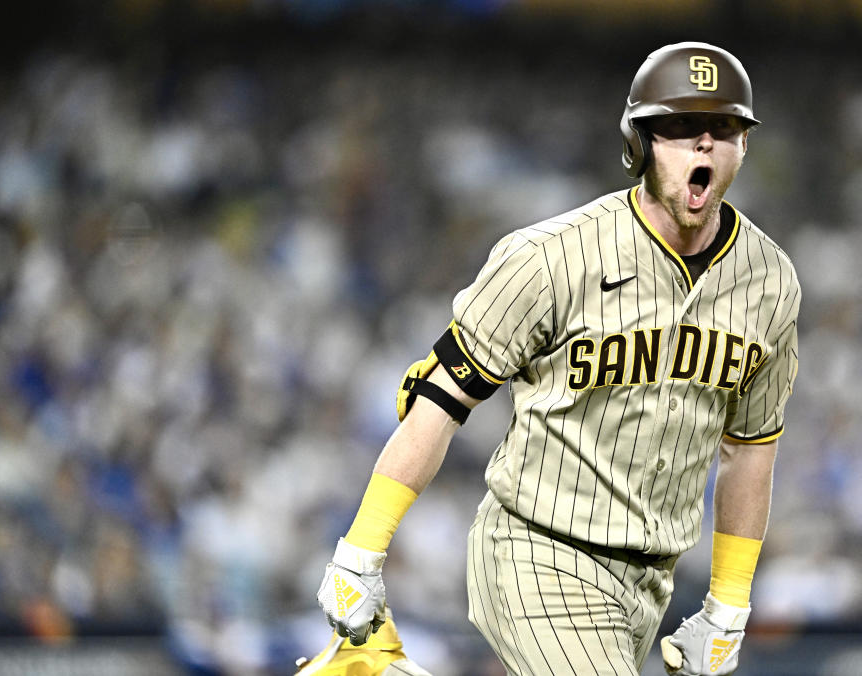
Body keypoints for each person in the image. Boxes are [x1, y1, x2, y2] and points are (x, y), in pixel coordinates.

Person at [315, 41, 800, 676]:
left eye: (723, 128)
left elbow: (750, 448)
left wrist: (729, 603)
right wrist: (360, 551)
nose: (703, 144)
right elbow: (439, 400)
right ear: (640, 144)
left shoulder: (770, 282)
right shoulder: (552, 258)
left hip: (651, 577)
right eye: (681, 128)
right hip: (535, 547)